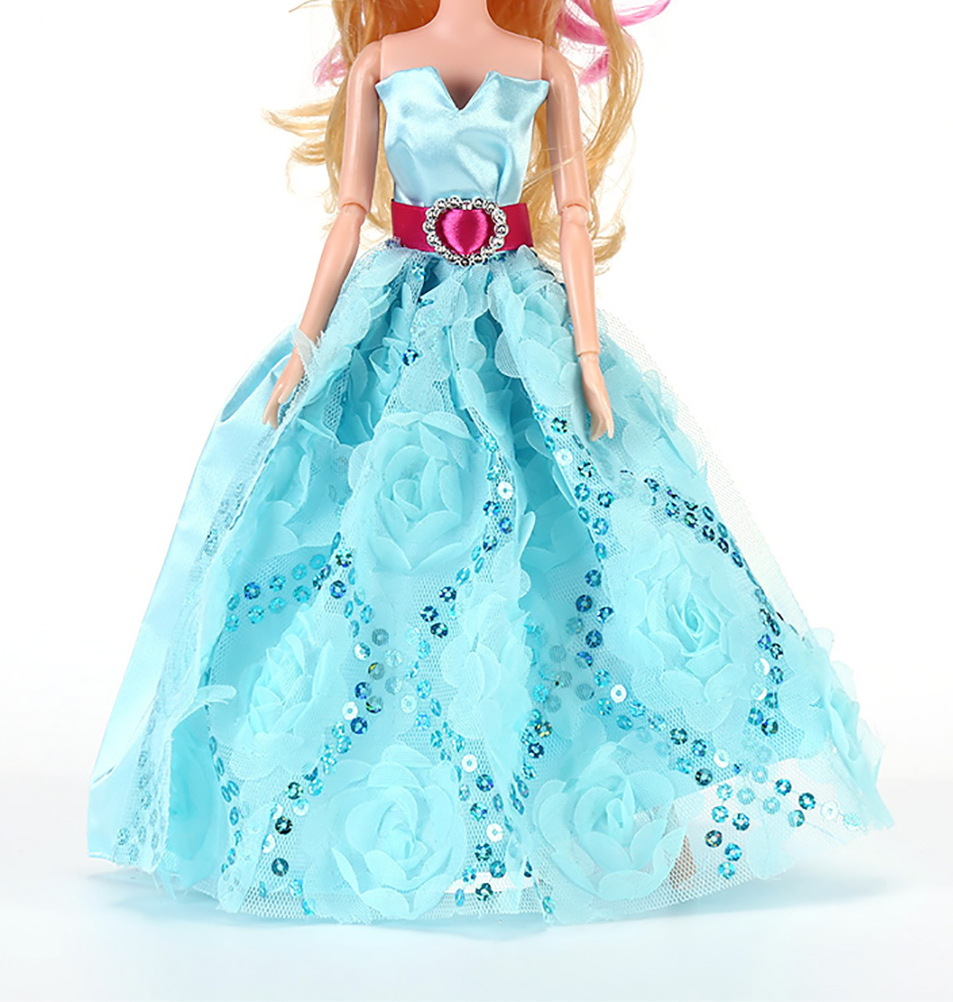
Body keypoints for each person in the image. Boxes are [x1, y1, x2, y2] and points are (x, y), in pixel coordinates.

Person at [87, 0, 893, 924]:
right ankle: (330, 810)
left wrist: (586, 356)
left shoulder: (542, 65)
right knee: (376, 541)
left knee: (552, 545)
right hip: (398, 309)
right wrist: (308, 347)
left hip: (518, 317)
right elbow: (349, 214)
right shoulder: (380, 61)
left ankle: (587, 812)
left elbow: (575, 216)